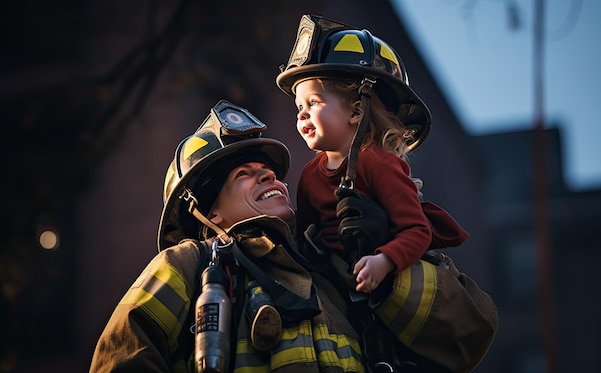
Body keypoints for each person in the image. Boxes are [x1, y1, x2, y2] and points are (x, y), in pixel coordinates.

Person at [89, 99, 389, 372]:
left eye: (267, 169)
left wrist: (385, 247)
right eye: (242, 174)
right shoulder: (187, 264)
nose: (269, 175)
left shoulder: (327, 268)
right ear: (210, 213)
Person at [275, 15, 469, 295]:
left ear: (356, 111)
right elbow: (302, 239)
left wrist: (384, 261)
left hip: (379, 290)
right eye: (298, 107)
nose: (302, 113)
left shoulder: (379, 164)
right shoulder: (309, 176)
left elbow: (417, 231)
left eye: (314, 102)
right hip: (331, 289)